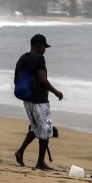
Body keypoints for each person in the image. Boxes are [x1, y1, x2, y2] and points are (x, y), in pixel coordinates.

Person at [14, 34, 63, 170]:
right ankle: (40, 162)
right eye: (43, 47)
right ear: (38, 46)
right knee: (46, 130)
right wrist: (55, 91)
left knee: (35, 128)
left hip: (27, 100)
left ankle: (20, 151)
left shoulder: (21, 59)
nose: (45, 50)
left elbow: (15, 80)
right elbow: (42, 79)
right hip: (39, 99)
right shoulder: (39, 58)